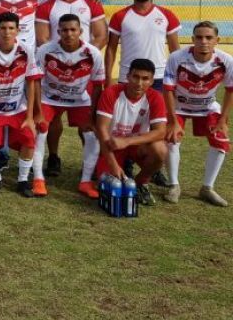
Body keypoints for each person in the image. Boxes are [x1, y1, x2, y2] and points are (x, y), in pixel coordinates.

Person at [35, 14, 105, 198]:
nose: (69, 34)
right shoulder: (45, 50)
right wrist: (37, 110)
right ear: (58, 32)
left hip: (79, 100)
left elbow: (98, 85)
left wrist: (93, 116)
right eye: (64, 30)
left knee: (92, 135)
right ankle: (38, 179)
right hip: (49, 98)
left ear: (81, 31)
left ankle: (86, 181)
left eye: (73, 29)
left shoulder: (93, 53)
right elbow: (35, 81)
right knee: (40, 130)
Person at [163, 21, 233, 206]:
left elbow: (230, 90)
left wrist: (223, 120)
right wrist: (173, 121)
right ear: (193, 39)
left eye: (209, 37)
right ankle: (174, 185)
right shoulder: (177, 58)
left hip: (208, 107)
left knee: (221, 141)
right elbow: (168, 89)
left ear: (217, 40)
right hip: (179, 106)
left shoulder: (226, 61)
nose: (204, 41)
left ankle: (207, 188)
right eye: (199, 37)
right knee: (171, 138)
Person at [0, 12, 43, 196]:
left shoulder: (26, 50)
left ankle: (22, 180)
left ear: (18, 30)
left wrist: (30, 116)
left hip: (18, 108)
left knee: (29, 136)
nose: (7, 32)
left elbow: (31, 82)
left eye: (11, 28)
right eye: (3, 28)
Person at [95, 58, 168, 206]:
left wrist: (127, 141)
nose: (139, 83)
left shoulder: (155, 97)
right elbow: (102, 129)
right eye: (135, 77)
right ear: (128, 76)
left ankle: (141, 183)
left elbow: (161, 132)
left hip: (136, 145)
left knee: (160, 149)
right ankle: (113, 165)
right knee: (108, 185)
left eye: (145, 79)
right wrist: (113, 164)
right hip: (112, 145)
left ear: (152, 81)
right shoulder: (111, 93)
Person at [105, 0, 180, 91]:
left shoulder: (167, 15)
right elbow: (111, 48)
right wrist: (108, 77)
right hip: (128, 75)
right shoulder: (119, 16)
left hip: (159, 75)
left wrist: (177, 74)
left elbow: (175, 49)